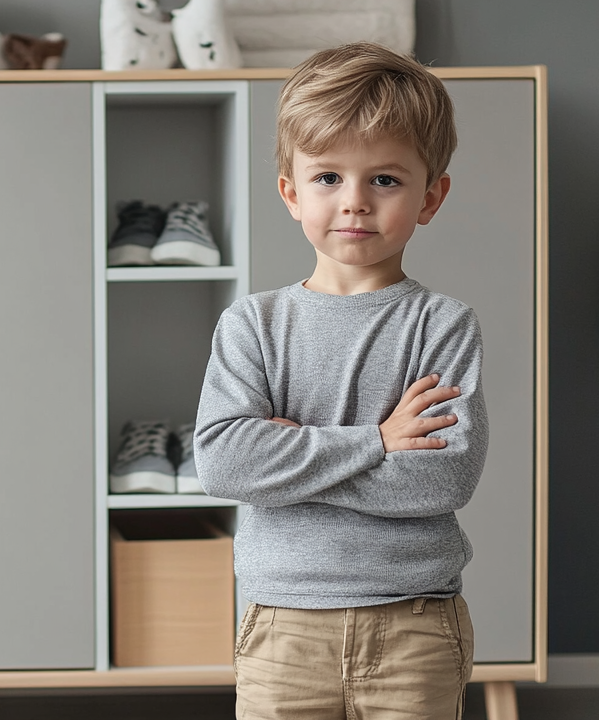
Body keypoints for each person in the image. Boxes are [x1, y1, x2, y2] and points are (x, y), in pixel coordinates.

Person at [195, 41, 488, 719]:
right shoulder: (253, 325)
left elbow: (442, 480)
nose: (354, 202)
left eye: (384, 180)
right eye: (328, 178)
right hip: (282, 627)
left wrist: (293, 459)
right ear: (291, 194)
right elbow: (226, 465)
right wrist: (377, 440)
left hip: (415, 624)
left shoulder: (442, 325)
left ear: (430, 196)